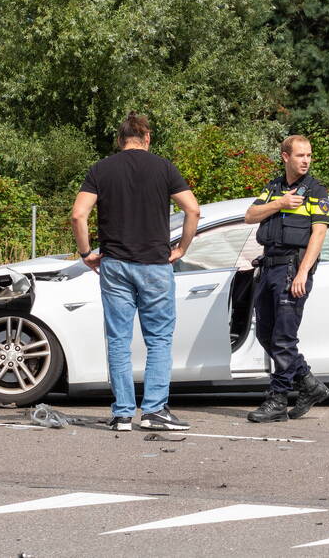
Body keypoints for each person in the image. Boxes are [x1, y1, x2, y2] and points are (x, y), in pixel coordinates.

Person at [71, 113, 200, 432]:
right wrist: (181, 248)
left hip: (114, 264)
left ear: (120, 139)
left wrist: (87, 253)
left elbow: (78, 215)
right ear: (147, 138)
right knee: (158, 339)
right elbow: (193, 209)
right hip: (156, 264)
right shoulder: (164, 168)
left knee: (118, 339)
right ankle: (155, 410)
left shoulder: (101, 169)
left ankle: (123, 414)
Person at [244, 135, 329, 422]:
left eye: (309, 155)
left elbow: (318, 235)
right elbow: (250, 215)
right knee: (265, 334)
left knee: (283, 338)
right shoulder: (274, 189)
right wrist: (280, 203)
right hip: (269, 268)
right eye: (300, 155)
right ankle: (308, 384)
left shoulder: (316, 190)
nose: (306, 160)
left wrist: (303, 273)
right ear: (285, 157)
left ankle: (278, 399)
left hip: (293, 269)